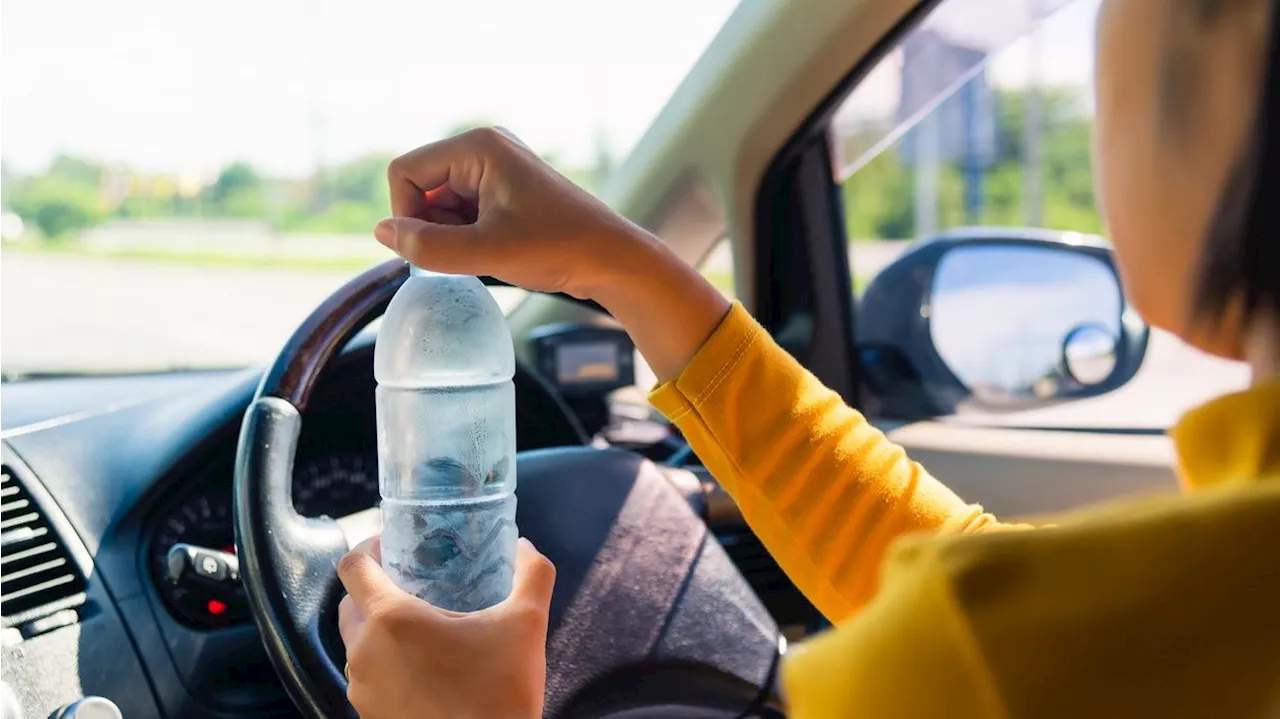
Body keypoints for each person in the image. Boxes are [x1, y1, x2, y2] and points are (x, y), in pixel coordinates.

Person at [336, 0, 1280, 715]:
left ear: (1237, 51)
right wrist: (619, 265)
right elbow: (956, 570)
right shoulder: (1165, 615)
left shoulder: (993, 663)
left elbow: (994, 619)